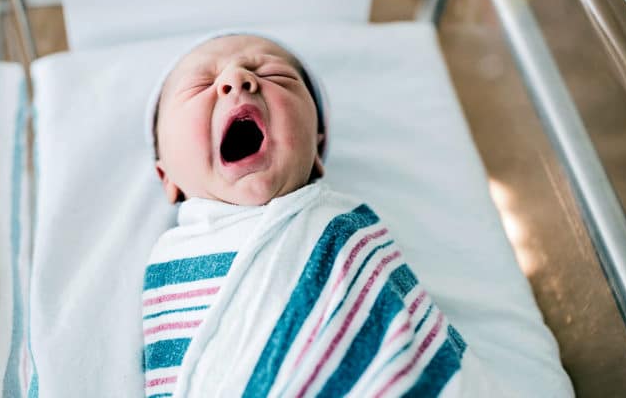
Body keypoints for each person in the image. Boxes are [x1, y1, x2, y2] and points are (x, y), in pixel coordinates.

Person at [142, 33, 502, 397]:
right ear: (166, 176)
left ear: (317, 148)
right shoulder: (171, 259)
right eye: (200, 84)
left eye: (275, 75)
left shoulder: (341, 225)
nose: (238, 80)